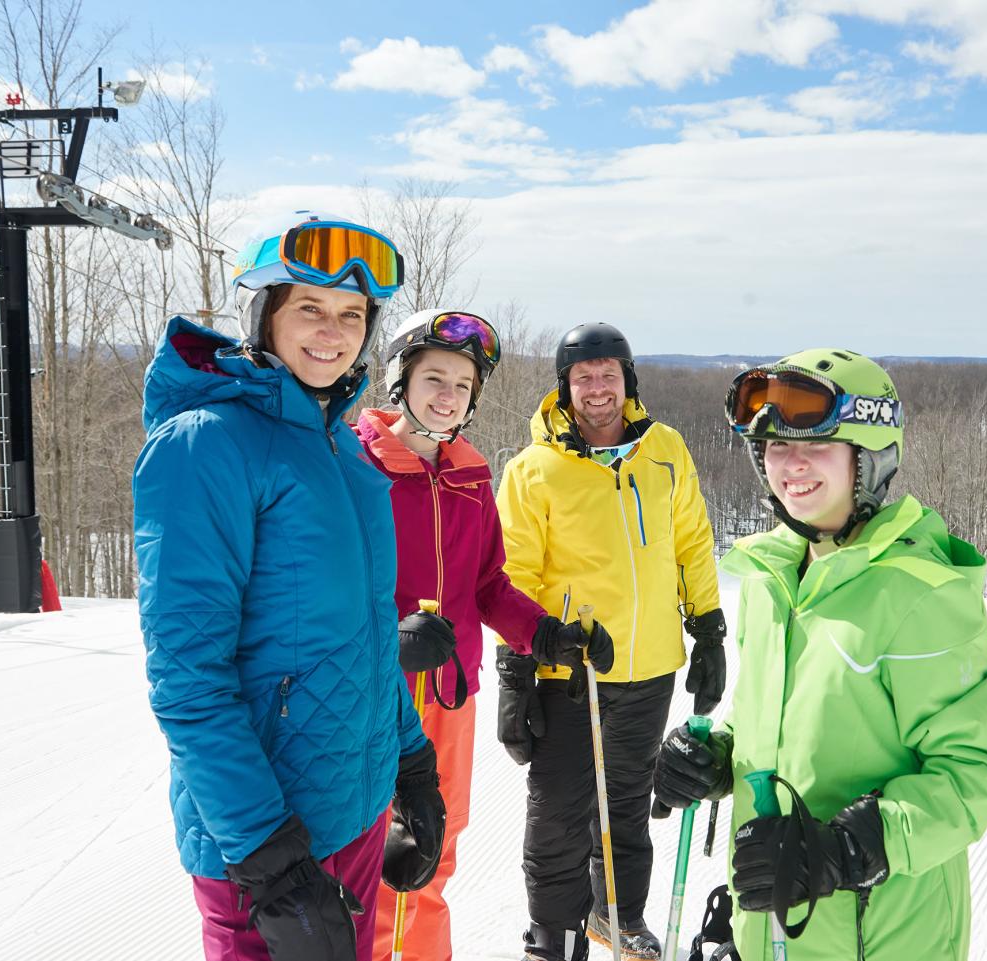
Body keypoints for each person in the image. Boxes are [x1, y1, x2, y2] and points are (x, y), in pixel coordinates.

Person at [134, 211, 446, 961]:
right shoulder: (204, 444)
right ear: (264, 313)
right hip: (268, 844)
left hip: (356, 811)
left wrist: (410, 760)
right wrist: (270, 858)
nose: (331, 331)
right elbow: (187, 679)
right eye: (309, 306)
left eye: (351, 314)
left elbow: (368, 634)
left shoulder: (339, 443)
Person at [651, 348, 987, 961]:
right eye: (774, 448)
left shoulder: (917, 592)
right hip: (772, 924)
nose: (790, 466)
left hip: (880, 936)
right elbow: (772, 721)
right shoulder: (775, 579)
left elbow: (981, 771)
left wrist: (846, 850)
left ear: (868, 457)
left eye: (816, 446)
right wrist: (718, 761)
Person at [355, 309, 614, 961]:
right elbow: (324, 590)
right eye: (433, 378)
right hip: (373, 699)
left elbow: (490, 584)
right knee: (374, 859)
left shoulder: (470, 476)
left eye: (462, 385)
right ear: (399, 381)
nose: (447, 395)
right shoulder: (357, 468)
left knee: (433, 857)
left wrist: (546, 635)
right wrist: (390, 638)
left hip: (448, 699)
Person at [495, 322, 726, 961]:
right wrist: (516, 674)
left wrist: (708, 627)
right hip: (569, 670)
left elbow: (692, 541)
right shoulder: (533, 470)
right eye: (583, 377)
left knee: (625, 807)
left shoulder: (665, 450)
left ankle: (617, 917)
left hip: (648, 666)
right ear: (564, 387)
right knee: (561, 814)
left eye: (608, 375)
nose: (597, 389)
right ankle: (555, 937)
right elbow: (513, 575)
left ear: (628, 381)